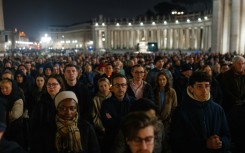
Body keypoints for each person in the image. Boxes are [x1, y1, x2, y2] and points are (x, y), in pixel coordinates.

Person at [170, 71, 231, 153]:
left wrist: (221, 142)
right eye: (199, 86)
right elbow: (177, 144)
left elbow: (227, 136)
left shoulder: (218, 109)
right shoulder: (180, 112)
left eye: (207, 86)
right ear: (191, 88)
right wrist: (204, 144)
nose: (204, 90)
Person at [100, 74, 136, 153]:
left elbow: (134, 123)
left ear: (126, 87)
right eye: (117, 85)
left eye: (123, 85)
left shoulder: (133, 102)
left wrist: (114, 119)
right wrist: (126, 120)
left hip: (129, 140)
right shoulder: (106, 103)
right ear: (112, 88)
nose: (120, 88)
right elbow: (106, 123)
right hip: (111, 140)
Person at [30, 75, 65, 153]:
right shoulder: (41, 102)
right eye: (48, 84)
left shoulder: (67, 102)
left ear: (60, 86)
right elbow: (34, 125)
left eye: (54, 84)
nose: (51, 87)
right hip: (44, 142)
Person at [220, 56, 245, 153]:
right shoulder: (226, 75)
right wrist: (236, 100)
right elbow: (226, 90)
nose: (242, 66)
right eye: (239, 63)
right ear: (234, 64)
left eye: (243, 63)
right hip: (230, 108)